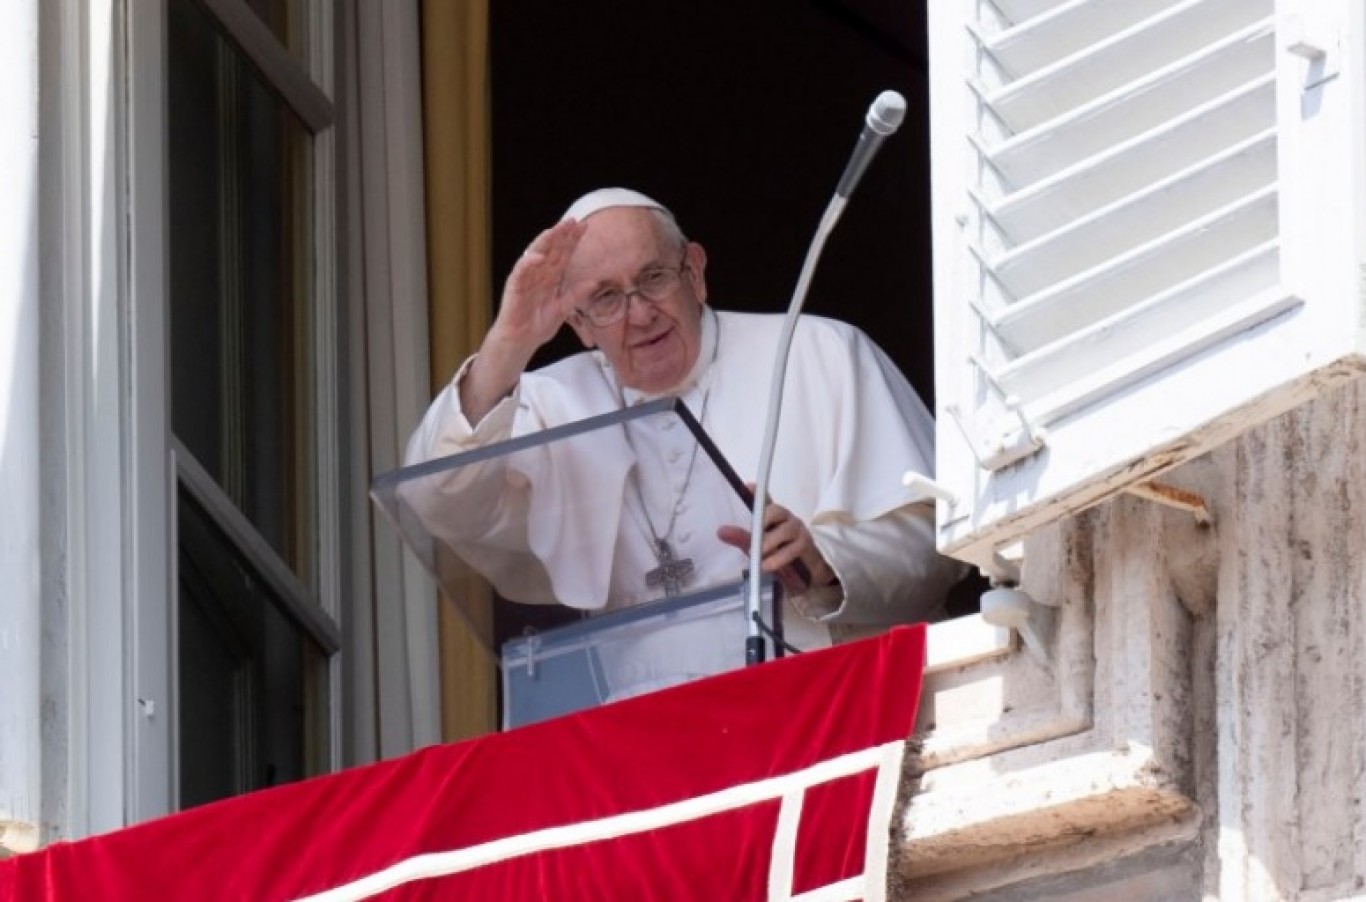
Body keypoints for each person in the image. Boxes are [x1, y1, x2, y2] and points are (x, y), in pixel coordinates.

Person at [404, 187, 965, 694]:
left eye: (653, 278)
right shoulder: (547, 404)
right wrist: (508, 341)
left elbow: (938, 542)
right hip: (645, 738)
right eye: (605, 298)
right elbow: (438, 497)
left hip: (826, 702)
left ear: (693, 272)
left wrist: (824, 560)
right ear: (577, 322)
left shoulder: (819, 353)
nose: (640, 313)